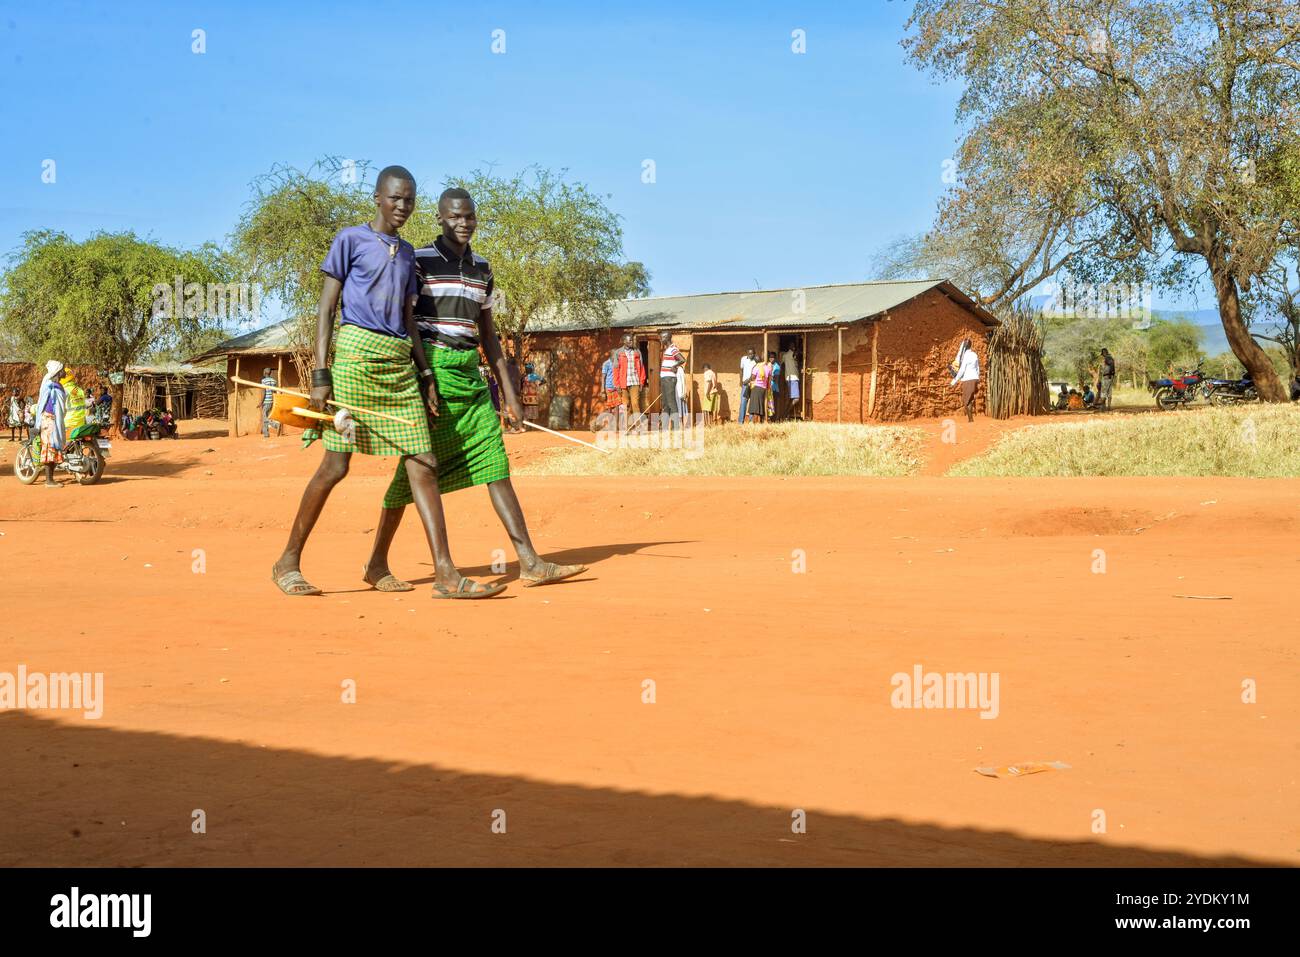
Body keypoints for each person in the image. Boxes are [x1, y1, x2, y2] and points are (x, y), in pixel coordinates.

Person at [271, 165, 502, 599]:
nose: (402, 206)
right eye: (395, 198)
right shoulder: (350, 239)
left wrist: (426, 373)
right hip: (356, 358)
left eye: (409, 200)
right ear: (377, 197)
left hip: (399, 365)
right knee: (336, 466)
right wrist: (321, 375)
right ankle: (287, 561)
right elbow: (326, 310)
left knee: (423, 462)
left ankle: (445, 574)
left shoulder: (410, 254)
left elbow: (409, 320)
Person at [370, 186, 586, 590]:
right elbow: (406, 322)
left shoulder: (484, 268)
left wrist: (510, 393)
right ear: (439, 217)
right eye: (455, 216)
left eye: (469, 216)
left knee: (495, 463)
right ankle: (378, 563)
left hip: (470, 376)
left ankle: (530, 561)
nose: (463, 223)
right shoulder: (419, 261)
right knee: (414, 474)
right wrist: (423, 377)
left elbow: (489, 337)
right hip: (433, 373)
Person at [35, 360, 67, 488]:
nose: (65, 372)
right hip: (48, 420)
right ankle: (49, 481)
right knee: (49, 448)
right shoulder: (50, 385)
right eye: (63, 370)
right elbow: (42, 404)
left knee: (54, 447)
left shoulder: (57, 385)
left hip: (55, 419)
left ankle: (51, 479)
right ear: (58, 371)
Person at [616, 333, 646, 428]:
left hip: (635, 382)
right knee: (626, 405)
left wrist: (642, 382)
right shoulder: (619, 352)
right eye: (630, 340)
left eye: (632, 340)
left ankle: (638, 426)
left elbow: (641, 367)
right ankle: (627, 427)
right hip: (623, 383)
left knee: (635, 404)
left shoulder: (637, 352)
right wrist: (617, 385)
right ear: (624, 341)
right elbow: (616, 369)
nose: (632, 342)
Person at [658, 331, 684, 430]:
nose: (661, 340)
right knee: (665, 403)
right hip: (665, 378)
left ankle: (675, 427)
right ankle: (664, 428)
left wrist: (675, 366)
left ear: (667, 338)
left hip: (669, 378)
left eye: (662, 338)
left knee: (671, 403)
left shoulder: (673, 348)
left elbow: (682, 359)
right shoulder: (667, 349)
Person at [950, 337, 980, 422]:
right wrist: (978, 378)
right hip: (974, 378)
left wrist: (954, 381)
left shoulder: (965, 356)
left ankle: (971, 420)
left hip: (968, 379)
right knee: (969, 399)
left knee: (966, 401)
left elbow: (962, 370)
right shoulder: (974, 354)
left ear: (964, 346)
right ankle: (970, 420)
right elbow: (977, 367)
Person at [746, 353, 771, 423]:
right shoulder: (767, 368)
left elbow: (753, 377)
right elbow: (769, 379)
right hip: (763, 388)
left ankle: (755, 423)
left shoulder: (757, 367)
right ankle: (760, 422)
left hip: (756, 388)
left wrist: (749, 379)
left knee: (755, 408)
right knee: (760, 406)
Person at [260, 367, 282, 437]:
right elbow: (274, 392)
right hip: (272, 401)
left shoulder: (263, 381)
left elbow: (264, 392)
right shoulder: (274, 381)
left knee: (264, 417)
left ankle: (275, 425)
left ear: (265, 373)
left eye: (263, 372)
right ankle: (266, 434)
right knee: (266, 416)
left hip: (266, 401)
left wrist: (261, 402)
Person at [737, 348, 756, 423]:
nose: (751, 355)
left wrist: (748, 380)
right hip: (745, 385)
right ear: (747, 354)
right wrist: (740, 380)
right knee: (743, 402)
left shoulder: (756, 361)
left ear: (754, 353)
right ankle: (740, 421)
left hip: (753, 384)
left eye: (752, 354)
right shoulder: (743, 359)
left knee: (752, 403)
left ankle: (751, 421)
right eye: (749, 354)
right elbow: (741, 370)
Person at [781, 346, 800, 419]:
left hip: (788, 378)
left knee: (790, 398)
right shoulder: (793, 354)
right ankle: (786, 414)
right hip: (793, 378)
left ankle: (785, 415)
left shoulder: (785, 355)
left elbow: (781, 363)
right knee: (796, 399)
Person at [766, 351, 781, 421]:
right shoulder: (768, 365)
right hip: (769, 388)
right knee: (769, 404)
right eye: (770, 357)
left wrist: (769, 376)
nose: (771, 359)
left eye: (772, 357)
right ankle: (770, 418)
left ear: (775, 358)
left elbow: (776, 380)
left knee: (774, 404)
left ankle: (776, 419)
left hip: (774, 388)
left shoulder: (777, 367)